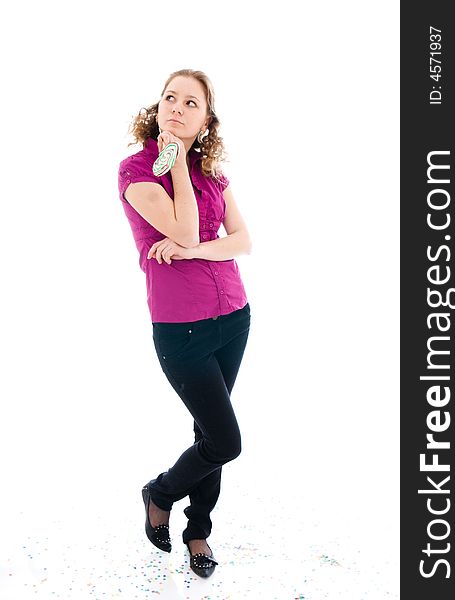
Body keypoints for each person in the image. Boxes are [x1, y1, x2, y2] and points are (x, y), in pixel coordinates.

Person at [117, 69, 252, 578]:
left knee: (208, 432)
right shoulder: (135, 170)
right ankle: (161, 492)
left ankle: (198, 530)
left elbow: (242, 240)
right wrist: (171, 164)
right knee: (225, 441)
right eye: (169, 97)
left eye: (190, 102)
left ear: (206, 119)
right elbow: (186, 225)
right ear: (158, 107)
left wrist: (195, 251)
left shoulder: (214, 171)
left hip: (234, 317)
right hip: (182, 330)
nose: (176, 107)